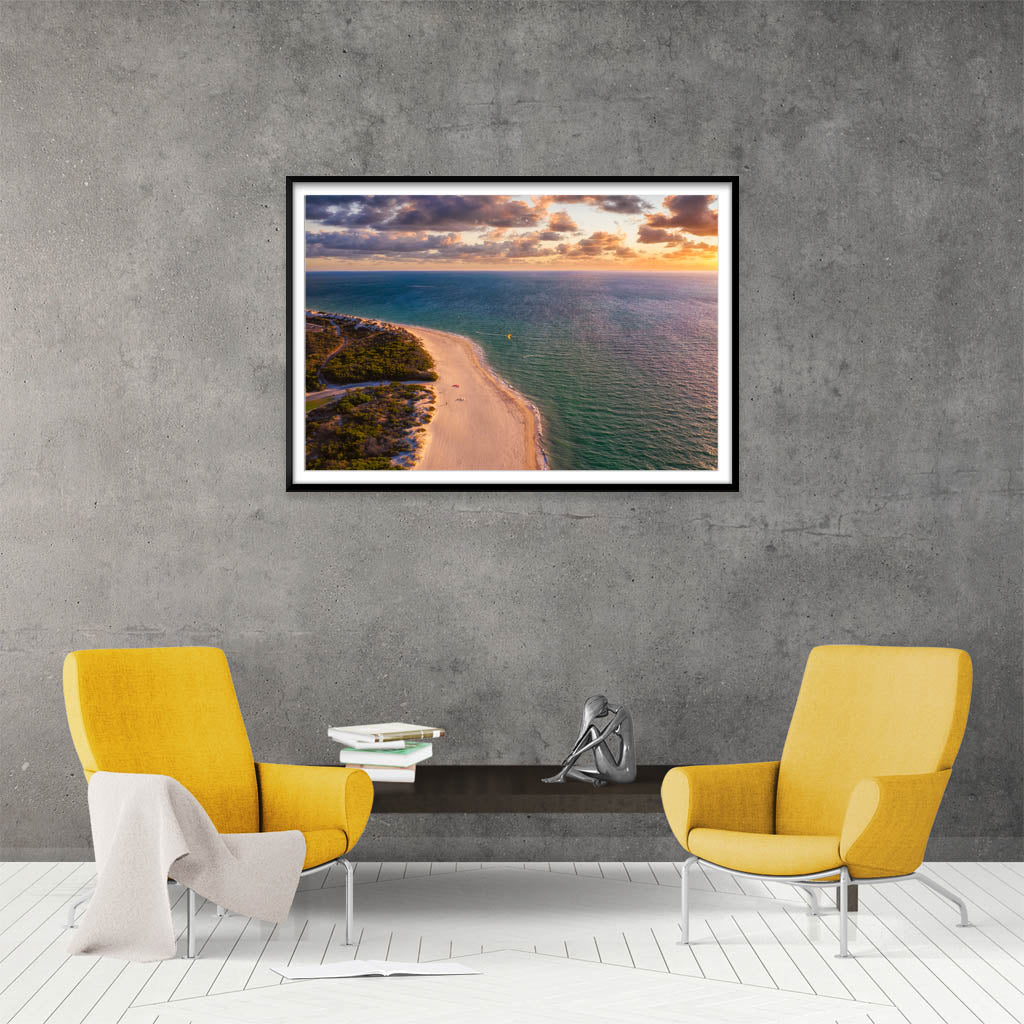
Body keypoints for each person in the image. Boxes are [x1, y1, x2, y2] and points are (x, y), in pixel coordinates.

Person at [543, 695, 636, 786]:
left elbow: (601, 738)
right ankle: (590, 780)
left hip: (624, 773)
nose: (599, 716)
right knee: (570, 770)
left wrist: (574, 755)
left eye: (597, 714)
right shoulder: (621, 711)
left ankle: (562, 774)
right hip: (622, 771)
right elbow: (599, 737)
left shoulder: (622, 712)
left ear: (601, 709)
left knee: (592, 729)